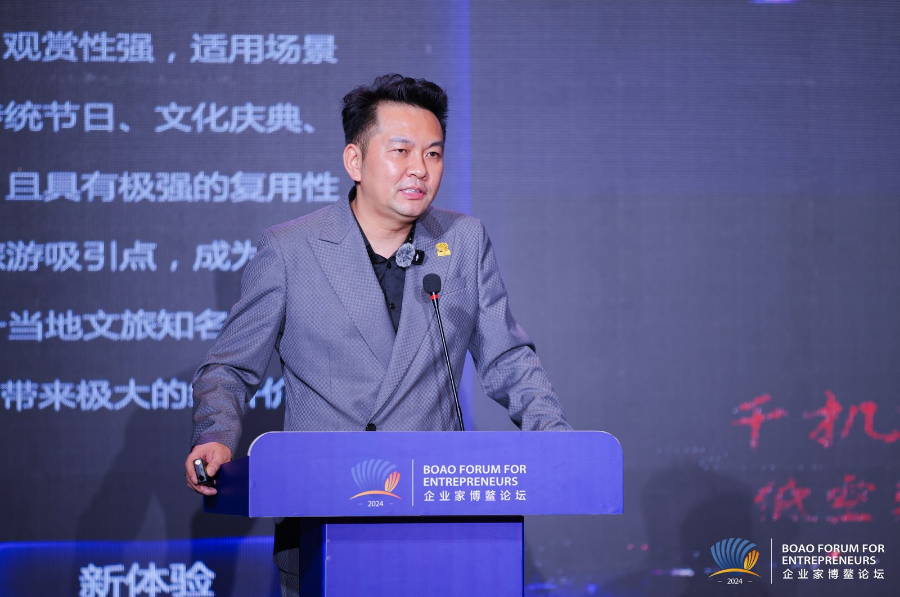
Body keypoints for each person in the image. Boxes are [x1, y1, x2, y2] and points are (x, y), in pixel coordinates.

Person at [184, 74, 570, 596]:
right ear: (355, 161)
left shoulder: (462, 241)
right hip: (326, 516)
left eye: (433, 154)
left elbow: (509, 360)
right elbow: (229, 368)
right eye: (402, 151)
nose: (420, 170)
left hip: (439, 515)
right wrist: (214, 436)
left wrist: (554, 437)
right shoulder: (291, 250)